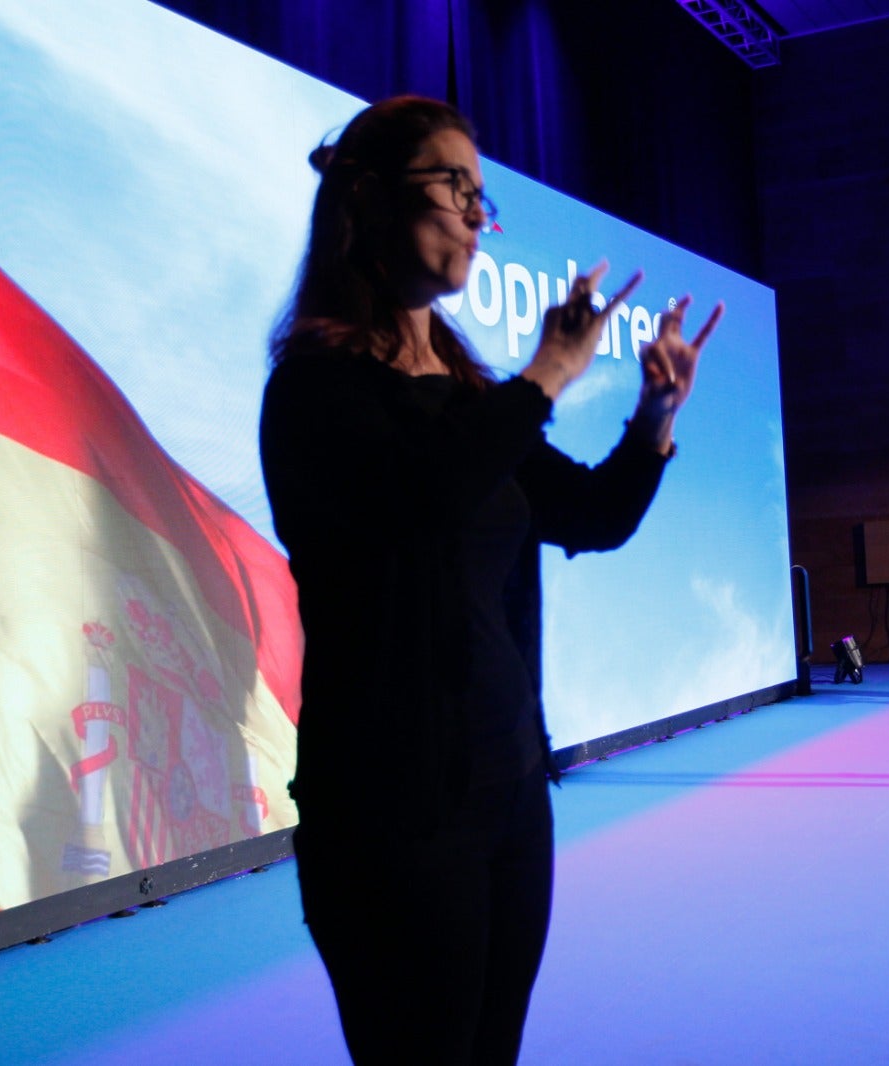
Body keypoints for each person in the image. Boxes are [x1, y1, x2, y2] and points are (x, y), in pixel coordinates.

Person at [258, 96, 720, 1065]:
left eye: (483, 195)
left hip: (510, 789)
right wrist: (546, 370)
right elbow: (422, 499)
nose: (476, 214)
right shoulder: (314, 387)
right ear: (369, 197)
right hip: (391, 809)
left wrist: (655, 414)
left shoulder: (470, 397)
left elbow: (591, 515)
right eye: (454, 186)